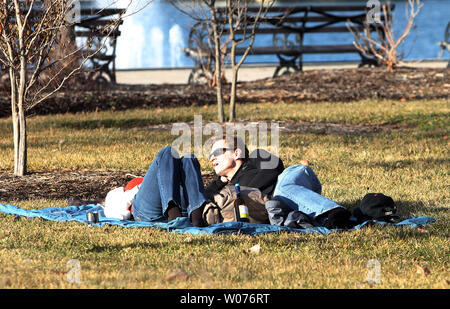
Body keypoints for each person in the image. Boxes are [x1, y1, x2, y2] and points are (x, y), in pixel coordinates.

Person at [206, 135, 353, 229]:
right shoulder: (222, 186)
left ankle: (334, 212)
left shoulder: (255, 157)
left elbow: (273, 169)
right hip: (283, 208)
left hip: (296, 182)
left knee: (282, 187)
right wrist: (221, 182)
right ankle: (325, 221)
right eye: (210, 156)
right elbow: (204, 199)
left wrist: (246, 193)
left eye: (217, 153)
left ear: (236, 153)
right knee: (276, 202)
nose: (212, 158)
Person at [131, 146, 209, 227]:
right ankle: (195, 219)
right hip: (153, 212)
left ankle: (187, 218)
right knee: (186, 158)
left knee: (179, 155)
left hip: (154, 213)